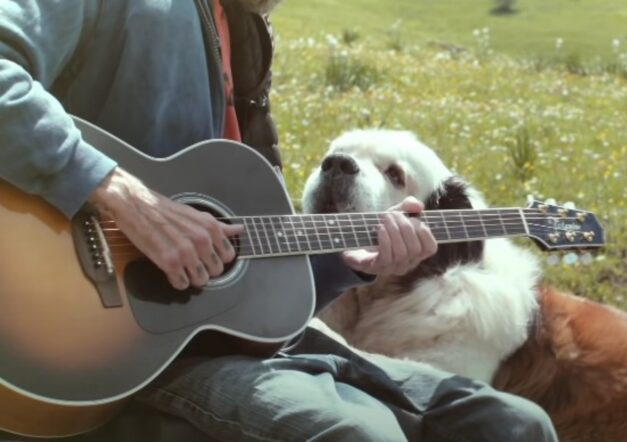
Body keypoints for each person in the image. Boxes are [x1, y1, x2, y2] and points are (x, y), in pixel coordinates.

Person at [0, 0, 559, 441]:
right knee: (358, 435)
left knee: (513, 425)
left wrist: (347, 265)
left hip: (223, 334)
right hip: (105, 341)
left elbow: (245, 266)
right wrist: (114, 189)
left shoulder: (242, 38)